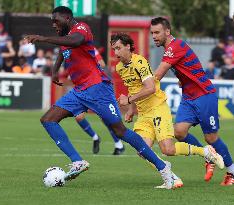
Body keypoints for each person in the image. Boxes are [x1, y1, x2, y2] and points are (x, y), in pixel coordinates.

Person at [25, 6, 176, 189]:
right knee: (48, 119)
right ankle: (77, 161)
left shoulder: (81, 28)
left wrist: (42, 39)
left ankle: (163, 167)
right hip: (79, 91)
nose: (54, 25)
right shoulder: (65, 37)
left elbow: (75, 41)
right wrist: (55, 70)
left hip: (97, 88)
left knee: (120, 131)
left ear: (67, 18)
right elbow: (64, 51)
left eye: (56, 21)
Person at [110, 33, 224, 188]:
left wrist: (128, 100)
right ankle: (172, 178)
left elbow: (150, 88)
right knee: (142, 150)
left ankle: (205, 152)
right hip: (143, 114)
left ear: (128, 46)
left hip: (157, 108)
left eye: (118, 48)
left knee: (168, 149)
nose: (115, 53)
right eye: (113, 49)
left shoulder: (140, 62)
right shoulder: (119, 68)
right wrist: (131, 109)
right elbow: (133, 88)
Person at [150, 17, 234, 186]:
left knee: (211, 137)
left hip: (204, 95)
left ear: (168, 31)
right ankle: (207, 155)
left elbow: (158, 75)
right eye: (152, 33)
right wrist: (184, 79)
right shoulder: (171, 48)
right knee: (179, 132)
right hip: (188, 97)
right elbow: (189, 67)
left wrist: (138, 89)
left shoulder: (176, 46)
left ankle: (232, 171)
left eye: (157, 32)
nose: (154, 36)